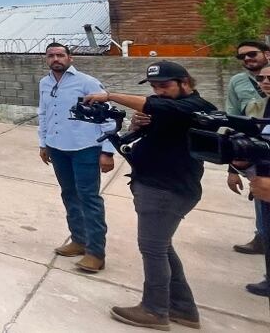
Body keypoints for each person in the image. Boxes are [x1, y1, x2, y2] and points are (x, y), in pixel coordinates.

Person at [82, 61, 216, 330]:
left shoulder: (199, 108)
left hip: (167, 190)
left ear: (185, 83)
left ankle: (154, 310)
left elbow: (163, 108)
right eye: (154, 87)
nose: (159, 91)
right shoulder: (168, 109)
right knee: (162, 247)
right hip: (153, 185)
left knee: (153, 250)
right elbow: (148, 127)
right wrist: (136, 125)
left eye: (164, 86)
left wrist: (109, 95)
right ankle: (183, 309)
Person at [36, 42, 115, 273]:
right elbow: (44, 113)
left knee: (88, 198)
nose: (55, 59)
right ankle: (79, 240)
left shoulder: (86, 82)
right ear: (46, 59)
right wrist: (43, 143)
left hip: (85, 148)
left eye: (60, 55)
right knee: (69, 194)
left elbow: (107, 117)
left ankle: (96, 253)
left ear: (70, 58)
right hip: (57, 148)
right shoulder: (45, 83)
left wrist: (107, 151)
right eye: (51, 56)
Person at [226, 61, 270, 298]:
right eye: (261, 79)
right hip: (261, 178)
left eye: (269, 79)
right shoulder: (262, 107)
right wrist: (238, 165)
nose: (264, 83)